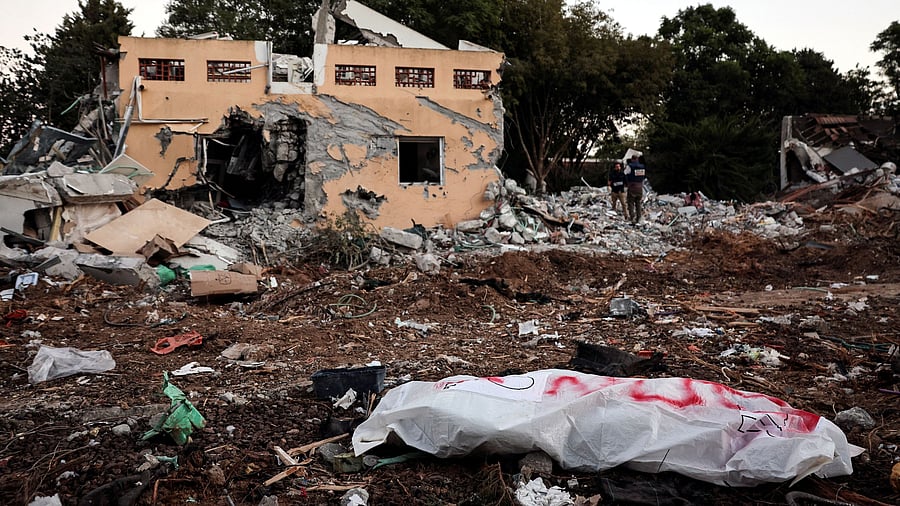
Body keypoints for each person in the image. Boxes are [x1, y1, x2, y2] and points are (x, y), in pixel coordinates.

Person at [625, 155, 646, 224]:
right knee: (638, 203)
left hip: (632, 187)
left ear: (632, 159)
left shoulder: (630, 166)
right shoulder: (642, 166)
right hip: (640, 187)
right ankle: (639, 217)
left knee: (630, 203)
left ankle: (632, 218)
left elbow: (625, 173)